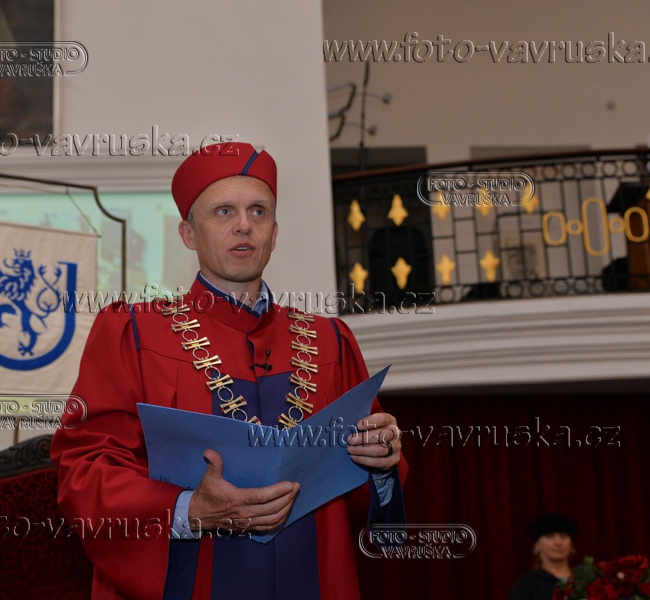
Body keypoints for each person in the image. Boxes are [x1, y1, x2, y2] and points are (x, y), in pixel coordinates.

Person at [51, 142, 409, 600]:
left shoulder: (331, 341)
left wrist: (381, 464)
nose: (244, 224)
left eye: (258, 211)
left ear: (274, 233)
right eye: (224, 211)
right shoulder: (132, 333)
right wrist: (188, 510)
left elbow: (364, 500)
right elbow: (85, 471)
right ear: (188, 233)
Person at [508, 512, 577, 600]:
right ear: (537, 545)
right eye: (550, 536)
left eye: (563, 536)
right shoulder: (526, 585)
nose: (558, 542)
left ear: (571, 545)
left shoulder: (586, 580)